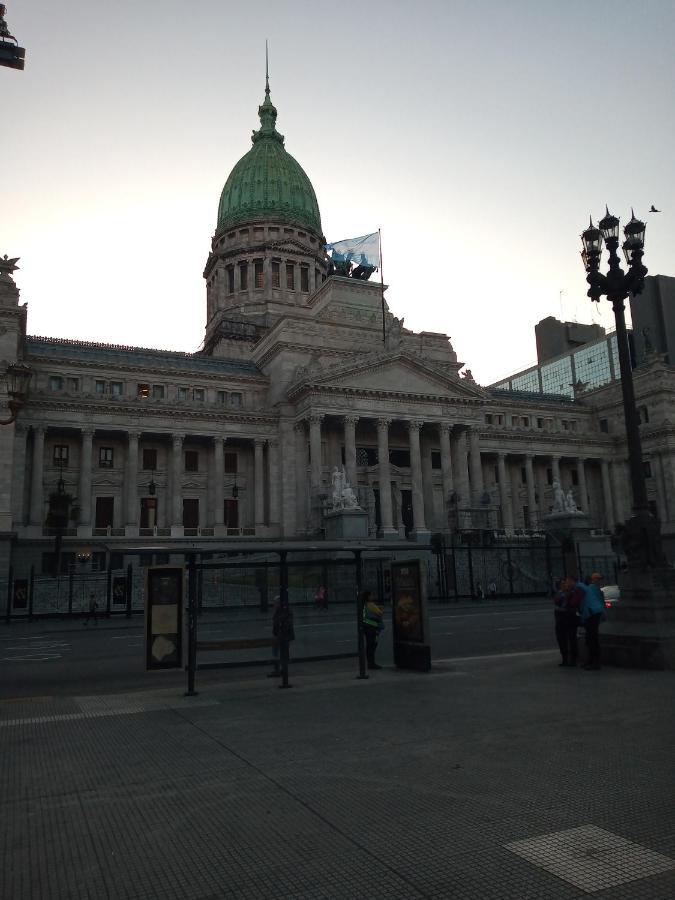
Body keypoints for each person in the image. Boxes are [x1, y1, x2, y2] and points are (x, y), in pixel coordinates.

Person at [553, 577, 582, 666]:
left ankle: (572, 659)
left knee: (571, 638)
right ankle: (565, 659)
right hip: (561, 618)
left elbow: (571, 604)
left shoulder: (571, 593)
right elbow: (556, 602)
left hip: (568, 617)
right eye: (562, 584)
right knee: (562, 639)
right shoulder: (560, 593)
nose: (563, 585)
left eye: (564, 583)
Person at [580, 573, 605, 670]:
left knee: (591, 638)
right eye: (597, 579)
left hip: (591, 615)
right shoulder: (593, 588)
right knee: (592, 638)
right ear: (592, 580)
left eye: (600, 579)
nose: (599, 581)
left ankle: (592, 661)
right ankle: (593, 661)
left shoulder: (595, 589)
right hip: (592, 614)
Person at [360, 589, 385, 670]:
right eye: (371, 595)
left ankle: (370, 662)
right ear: (368, 596)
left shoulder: (364, 604)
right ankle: (372, 663)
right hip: (372, 627)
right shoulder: (370, 604)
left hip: (366, 627)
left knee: (369, 645)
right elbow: (380, 613)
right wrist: (381, 609)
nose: (373, 596)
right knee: (373, 645)